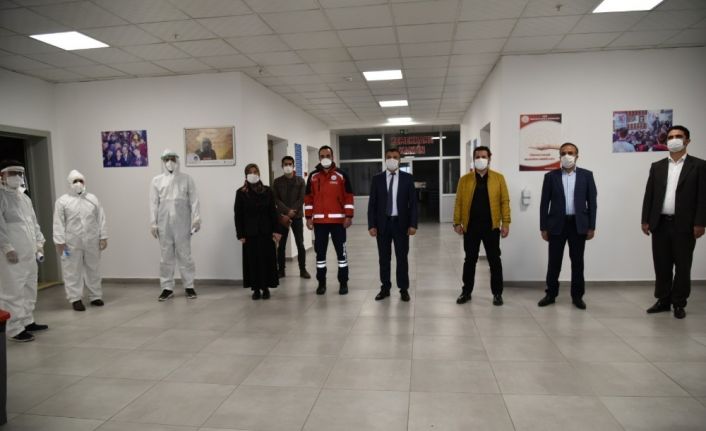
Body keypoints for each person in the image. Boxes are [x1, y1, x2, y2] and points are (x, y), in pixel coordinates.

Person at [641, 125, 705, 319]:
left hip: (685, 225)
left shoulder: (699, 166)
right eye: (670, 137)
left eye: (678, 136)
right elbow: (649, 194)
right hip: (660, 223)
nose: (674, 140)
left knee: (683, 266)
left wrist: (700, 223)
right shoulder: (657, 166)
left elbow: (703, 197)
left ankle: (679, 303)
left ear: (687, 140)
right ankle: (663, 300)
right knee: (661, 265)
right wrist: (645, 219)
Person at [538, 142, 597, 309]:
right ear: (559, 156)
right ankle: (550, 294)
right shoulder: (551, 177)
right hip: (556, 225)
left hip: (578, 225)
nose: (567, 156)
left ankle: (577, 296)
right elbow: (544, 204)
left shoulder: (587, 175)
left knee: (577, 262)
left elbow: (592, 203)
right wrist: (543, 227)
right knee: (554, 262)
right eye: (563, 153)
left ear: (577, 156)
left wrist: (591, 226)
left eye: (570, 153)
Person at [453, 146, 510, 306]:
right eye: (477, 156)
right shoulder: (465, 180)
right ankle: (466, 292)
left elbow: (504, 201)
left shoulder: (498, 178)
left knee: (494, 260)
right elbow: (459, 202)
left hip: (491, 226)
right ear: (473, 159)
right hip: (471, 227)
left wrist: (505, 222)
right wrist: (457, 222)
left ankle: (497, 293)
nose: (480, 159)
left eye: (483, 156)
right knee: (470, 260)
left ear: (489, 158)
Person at [0, 160, 48, 342]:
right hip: (10, 255)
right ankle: (14, 328)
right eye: (12, 173)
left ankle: (27, 320)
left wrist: (39, 243)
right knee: (13, 291)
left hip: (29, 252)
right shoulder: (1, 197)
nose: (17, 177)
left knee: (29, 287)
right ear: (2, 175)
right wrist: (7, 248)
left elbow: (33, 223)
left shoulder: (24, 197)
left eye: (20, 173)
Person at [53, 170, 108, 311]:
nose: (78, 184)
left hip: (92, 241)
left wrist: (103, 237)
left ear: (84, 182)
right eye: (75, 181)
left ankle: (95, 296)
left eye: (80, 181)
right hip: (71, 243)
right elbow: (58, 222)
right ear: (69, 183)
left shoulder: (92, 199)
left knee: (93, 268)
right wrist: (59, 242)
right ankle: (75, 298)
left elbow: (101, 218)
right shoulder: (63, 201)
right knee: (72, 270)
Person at [149, 149, 201, 301]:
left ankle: (189, 286)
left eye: (172, 159)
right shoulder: (156, 181)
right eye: (166, 159)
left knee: (185, 255)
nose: (169, 162)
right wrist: (153, 223)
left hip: (182, 223)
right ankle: (167, 288)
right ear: (163, 162)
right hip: (163, 224)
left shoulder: (186, 179)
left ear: (177, 160)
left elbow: (194, 200)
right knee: (166, 256)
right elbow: (153, 203)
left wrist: (196, 219)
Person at [368, 148, 418, 302]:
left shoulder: (407, 178)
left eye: (395, 157)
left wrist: (413, 224)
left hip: (401, 225)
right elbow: (372, 204)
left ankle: (403, 289)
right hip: (382, 225)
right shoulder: (377, 179)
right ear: (385, 159)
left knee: (402, 258)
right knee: (384, 259)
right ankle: (385, 288)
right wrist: (371, 225)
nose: (392, 159)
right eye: (389, 157)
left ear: (400, 160)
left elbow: (413, 204)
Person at [305, 145, 354, 295]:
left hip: (338, 223)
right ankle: (321, 283)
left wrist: (348, 215)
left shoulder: (341, 175)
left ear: (332, 157)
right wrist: (308, 217)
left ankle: (343, 283)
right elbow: (308, 198)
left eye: (328, 155)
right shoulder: (313, 176)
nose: (325, 158)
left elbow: (348, 197)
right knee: (320, 256)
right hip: (320, 224)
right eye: (322, 156)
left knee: (342, 256)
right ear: (319, 158)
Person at [234, 164, 283, 300]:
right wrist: (240, 234)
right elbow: (238, 215)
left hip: (266, 232)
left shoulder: (267, 191)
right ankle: (255, 289)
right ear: (246, 175)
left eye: (255, 172)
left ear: (259, 173)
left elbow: (273, 212)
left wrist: (276, 230)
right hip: (250, 233)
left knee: (266, 260)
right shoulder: (241, 192)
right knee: (253, 261)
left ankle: (265, 288)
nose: (253, 174)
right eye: (250, 172)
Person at [272, 156, 310, 279]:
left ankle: (303, 270)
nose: (287, 166)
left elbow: (302, 198)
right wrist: (287, 211)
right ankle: (281, 270)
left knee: (300, 244)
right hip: (282, 217)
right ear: (282, 166)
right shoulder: (277, 182)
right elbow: (276, 199)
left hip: (297, 216)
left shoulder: (300, 181)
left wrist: (292, 211)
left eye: (290, 164)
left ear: (293, 166)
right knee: (281, 245)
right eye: (285, 164)